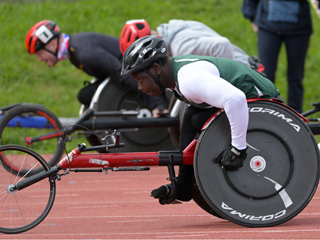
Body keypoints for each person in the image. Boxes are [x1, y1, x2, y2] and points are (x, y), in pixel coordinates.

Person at [121, 35, 281, 204]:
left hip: (266, 101)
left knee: (198, 120)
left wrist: (238, 149)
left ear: (155, 69)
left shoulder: (189, 80)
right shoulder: (176, 76)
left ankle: (215, 166)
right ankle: (183, 185)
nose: (140, 87)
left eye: (140, 80)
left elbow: (235, 99)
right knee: (192, 115)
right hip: (247, 100)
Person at [25, 20, 166, 117]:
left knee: (86, 95)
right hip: (121, 72)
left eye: (39, 53)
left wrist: (155, 105)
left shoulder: (84, 52)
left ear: (52, 45)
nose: (39, 59)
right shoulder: (73, 52)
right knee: (85, 95)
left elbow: (120, 72)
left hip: (136, 70)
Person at [242, 0, 313, 113]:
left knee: (296, 77)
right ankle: (265, 116)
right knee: (265, 76)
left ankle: (297, 119)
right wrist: (251, 15)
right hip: (268, 26)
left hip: (299, 28)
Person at [119, 19, 265, 73]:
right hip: (250, 66)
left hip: (249, 75)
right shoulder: (174, 28)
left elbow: (222, 45)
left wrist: (226, 81)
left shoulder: (181, 46)